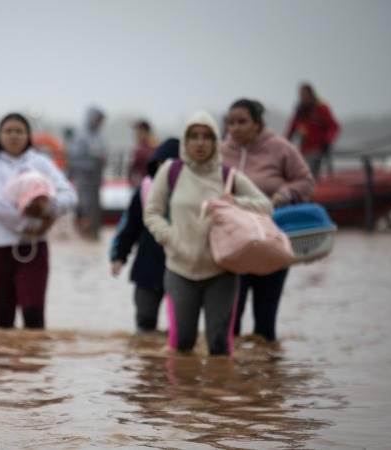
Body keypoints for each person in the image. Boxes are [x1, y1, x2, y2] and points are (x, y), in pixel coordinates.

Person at [143, 111, 272, 355]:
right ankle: (183, 393)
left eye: (207, 137)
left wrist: (232, 202)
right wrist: (169, 237)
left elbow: (265, 206)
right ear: (185, 141)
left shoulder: (228, 176)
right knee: (181, 344)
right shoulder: (171, 171)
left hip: (222, 270)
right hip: (179, 269)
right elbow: (152, 212)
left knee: (219, 346)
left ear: (216, 142)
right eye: (194, 137)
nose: (200, 143)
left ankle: (217, 392)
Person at [221, 99, 315, 342]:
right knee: (230, 324)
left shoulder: (280, 148)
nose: (236, 128)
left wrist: (284, 194)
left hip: (273, 244)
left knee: (265, 325)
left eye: (242, 122)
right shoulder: (220, 152)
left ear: (257, 123)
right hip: (234, 247)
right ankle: (228, 378)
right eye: (231, 123)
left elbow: (305, 181)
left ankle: (268, 376)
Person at [0, 113, 77, 329]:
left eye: (19, 131)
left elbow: (69, 195)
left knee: (34, 314)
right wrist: (29, 225)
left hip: (34, 249)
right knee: (2, 318)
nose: (14, 136)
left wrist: (46, 210)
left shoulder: (41, 163)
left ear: (28, 135)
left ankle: (34, 362)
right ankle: (3, 363)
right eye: (8, 131)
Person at [110, 138, 179, 332]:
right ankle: (146, 361)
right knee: (145, 322)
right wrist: (119, 257)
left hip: (182, 268)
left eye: (170, 165)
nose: (165, 170)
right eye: (160, 165)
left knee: (180, 327)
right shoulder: (144, 191)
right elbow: (130, 227)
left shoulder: (190, 195)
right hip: (147, 268)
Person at [68, 107, 107, 240]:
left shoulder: (100, 137)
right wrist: (92, 160)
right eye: (97, 119)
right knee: (84, 206)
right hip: (84, 180)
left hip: (96, 181)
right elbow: (73, 158)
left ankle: (94, 233)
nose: (99, 123)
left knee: (95, 207)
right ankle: (84, 234)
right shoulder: (80, 137)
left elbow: (104, 153)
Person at [285, 83, 340, 179]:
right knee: (303, 171)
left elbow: (334, 127)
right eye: (301, 94)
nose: (303, 97)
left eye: (305, 94)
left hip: (319, 148)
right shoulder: (300, 111)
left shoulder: (321, 108)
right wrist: (284, 142)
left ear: (311, 94)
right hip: (305, 148)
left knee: (313, 171)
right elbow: (291, 129)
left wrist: (328, 141)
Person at [127, 120, 158, 186]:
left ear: (144, 131)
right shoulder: (153, 143)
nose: (136, 135)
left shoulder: (148, 147)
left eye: (138, 131)